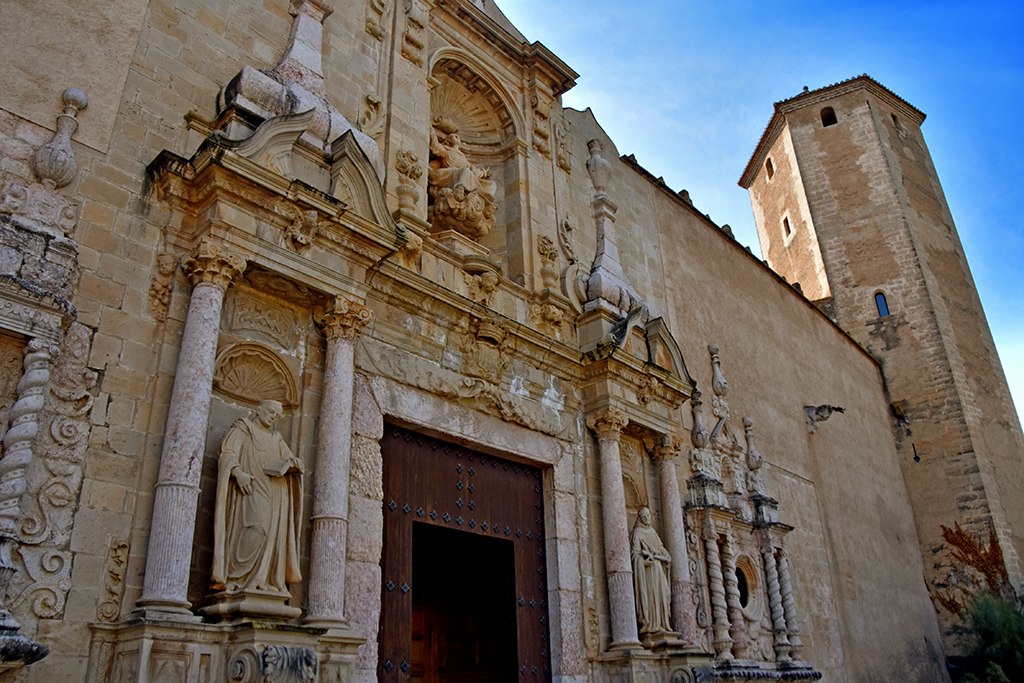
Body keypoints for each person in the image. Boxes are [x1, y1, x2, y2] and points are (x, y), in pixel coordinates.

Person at [212, 400, 303, 593]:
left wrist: (293, 463)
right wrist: (238, 472)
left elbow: (289, 458)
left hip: (274, 491)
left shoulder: (277, 438)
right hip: (250, 487)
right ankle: (237, 578)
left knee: (270, 532)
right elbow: (227, 453)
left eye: (277, 416)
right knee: (256, 527)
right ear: (258, 409)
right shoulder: (243, 429)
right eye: (270, 412)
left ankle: (263, 580)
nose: (273, 418)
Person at [631, 507, 672, 634]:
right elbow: (635, 554)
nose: (647, 519)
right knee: (651, 595)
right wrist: (643, 562)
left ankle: (663, 623)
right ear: (640, 518)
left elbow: (660, 547)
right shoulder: (637, 532)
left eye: (648, 516)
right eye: (644, 517)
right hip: (648, 571)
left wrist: (666, 555)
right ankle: (651, 623)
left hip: (659, 568)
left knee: (662, 594)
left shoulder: (653, 532)